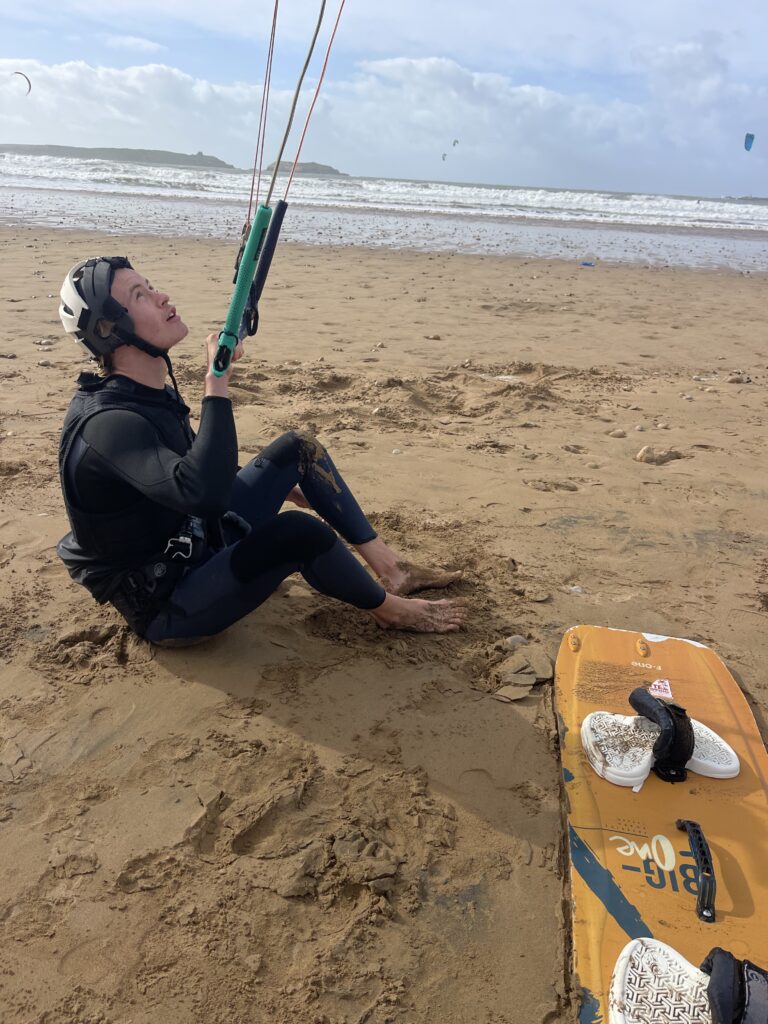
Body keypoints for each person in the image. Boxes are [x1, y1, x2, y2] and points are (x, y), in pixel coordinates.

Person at [56, 256, 465, 646]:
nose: (161, 296)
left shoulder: (147, 394)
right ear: (109, 329)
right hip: (169, 602)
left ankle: (393, 570)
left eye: (151, 286)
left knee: (297, 450)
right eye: (139, 296)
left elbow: (183, 467)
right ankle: (390, 611)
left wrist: (276, 484)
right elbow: (203, 493)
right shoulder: (108, 423)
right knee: (299, 533)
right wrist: (216, 382)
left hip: (196, 538)